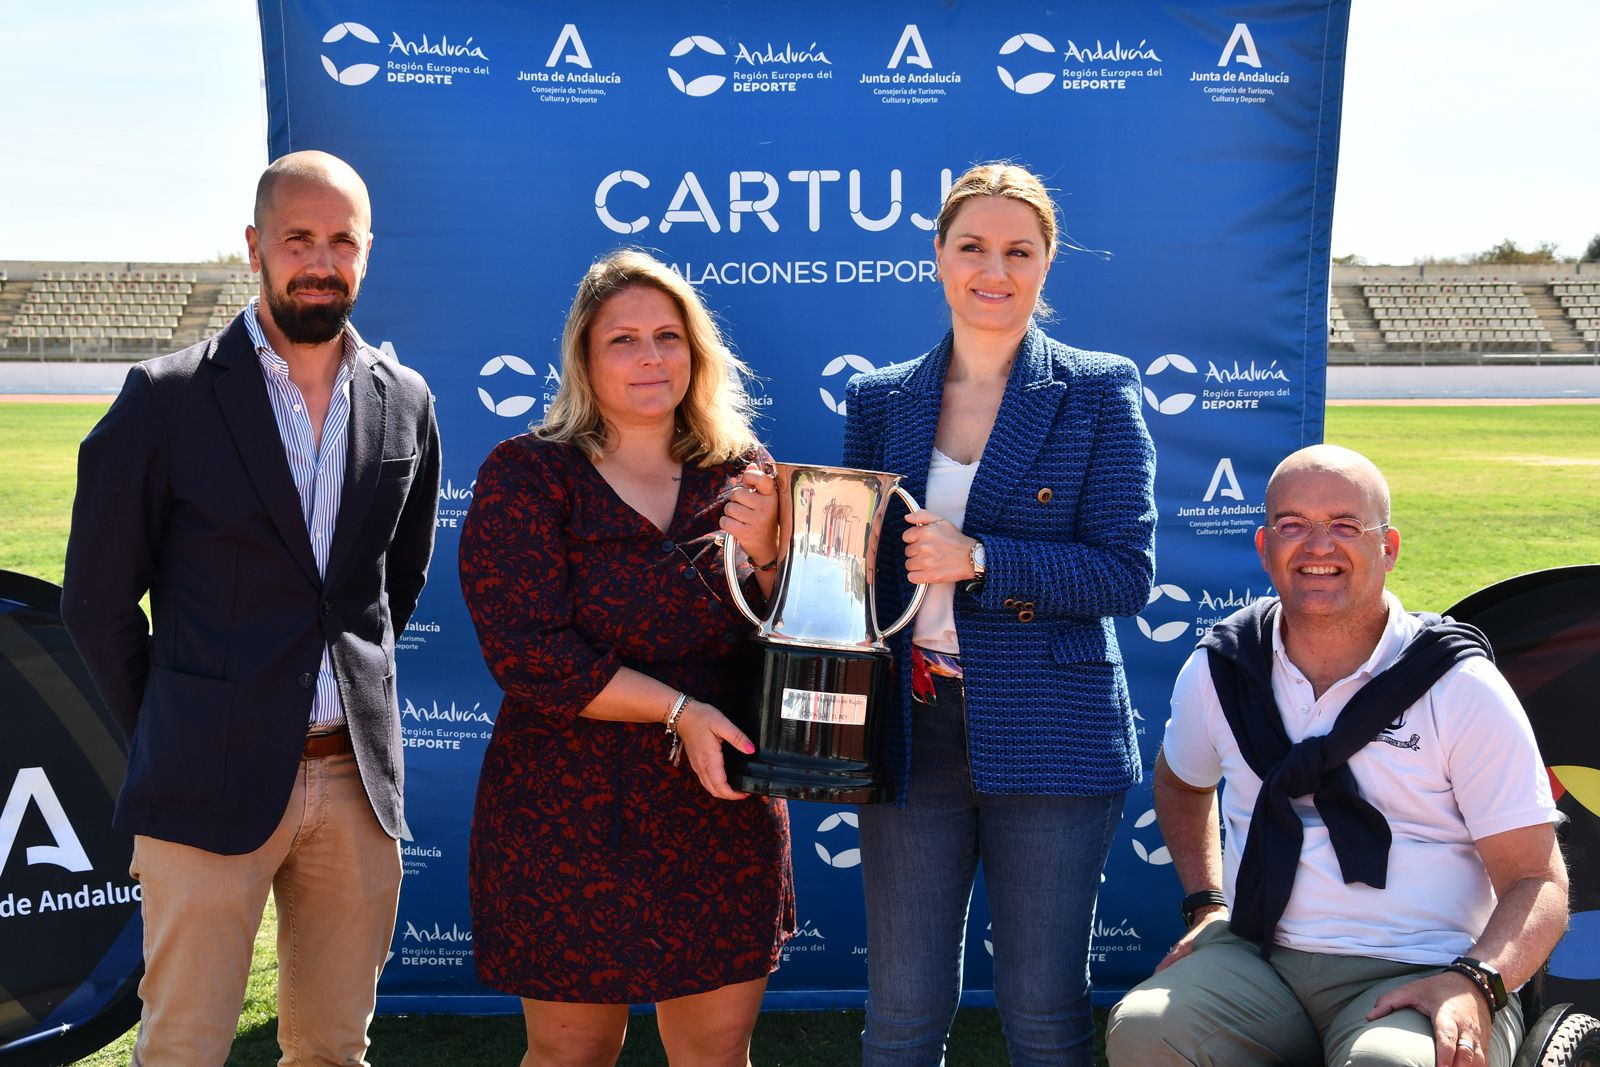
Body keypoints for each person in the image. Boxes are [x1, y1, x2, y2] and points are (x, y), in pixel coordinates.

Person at [60, 150, 441, 1065]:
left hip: (354, 784)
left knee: (332, 1047)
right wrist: (174, 723)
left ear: (367, 252)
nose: (321, 258)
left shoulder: (406, 402)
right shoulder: (167, 397)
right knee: (185, 1043)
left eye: (341, 239)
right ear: (254, 247)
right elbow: (96, 602)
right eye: (298, 237)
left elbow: (394, 584)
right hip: (202, 782)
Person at [1106, 444, 1567, 1067]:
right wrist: (1206, 903)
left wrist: (1476, 980)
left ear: (1390, 547)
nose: (1318, 546)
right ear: (1265, 549)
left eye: (1346, 526)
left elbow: (1538, 881)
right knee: (1144, 1030)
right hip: (1260, 957)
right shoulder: (1222, 668)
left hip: (1425, 964)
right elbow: (1181, 782)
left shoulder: (1458, 684)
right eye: (1293, 526)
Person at [839, 162, 1157, 1066]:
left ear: (1047, 264)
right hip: (913, 727)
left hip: (1055, 732)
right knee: (900, 1011)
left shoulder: (1098, 389)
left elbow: (1125, 574)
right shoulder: (879, 397)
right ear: (937, 257)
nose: (995, 268)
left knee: (1045, 1014)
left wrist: (982, 561)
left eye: (1019, 250)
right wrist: (784, 546)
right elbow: (859, 573)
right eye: (973, 246)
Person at [458, 249, 795, 1067]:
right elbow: (530, 653)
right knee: (572, 1054)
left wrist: (770, 559)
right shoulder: (527, 475)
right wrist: (680, 710)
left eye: (668, 336)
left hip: (716, 806)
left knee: (716, 1053)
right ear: (583, 357)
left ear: (696, 351)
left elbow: (792, 639)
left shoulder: (745, 475)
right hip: (563, 806)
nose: (651, 357)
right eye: (624, 339)